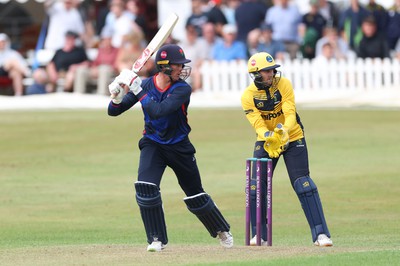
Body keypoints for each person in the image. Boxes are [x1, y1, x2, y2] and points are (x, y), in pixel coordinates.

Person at [107, 44, 233, 252]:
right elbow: (113, 112)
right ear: (164, 67)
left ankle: (221, 230)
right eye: (178, 65)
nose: (182, 69)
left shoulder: (182, 89)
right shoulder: (147, 85)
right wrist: (116, 95)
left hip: (179, 146)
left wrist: (137, 89)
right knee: (146, 187)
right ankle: (156, 239)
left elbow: (159, 110)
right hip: (153, 143)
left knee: (195, 195)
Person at [240, 52, 333, 247]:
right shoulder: (248, 96)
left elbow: (290, 112)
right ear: (256, 74)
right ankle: (260, 235)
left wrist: (283, 131)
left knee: (303, 184)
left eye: (273, 69)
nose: (272, 73)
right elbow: (257, 122)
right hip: (266, 141)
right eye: (267, 71)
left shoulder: (284, 84)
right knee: (256, 185)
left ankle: (321, 234)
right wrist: (268, 136)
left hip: (293, 136)